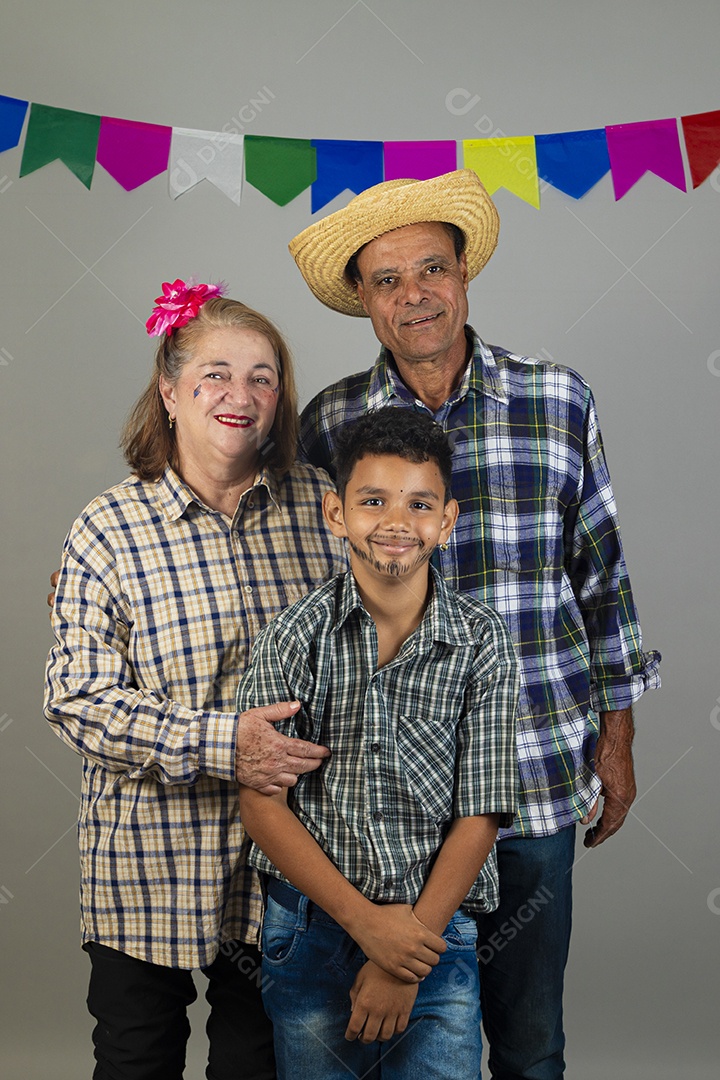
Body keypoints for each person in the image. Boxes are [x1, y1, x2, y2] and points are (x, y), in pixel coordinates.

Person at [288, 170, 662, 1080]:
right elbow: (294, 580)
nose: (414, 294)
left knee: (530, 1040)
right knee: (408, 1038)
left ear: (464, 277)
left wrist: (616, 740)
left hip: (533, 769)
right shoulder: (332, 420)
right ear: (365, 304)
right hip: (389, 796)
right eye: (387, 280)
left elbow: (602, 579)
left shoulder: (557, 399)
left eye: (431, 269)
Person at [43, 280, 347, 1080]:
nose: (239, 394)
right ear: (170, 393)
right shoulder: (107, 527)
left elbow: (377, 644)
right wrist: (226, 743)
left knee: (257, 1064)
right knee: (138, 1061)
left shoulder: (324, 510)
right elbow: (76, 698)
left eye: (262, 377)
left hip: (283, 868)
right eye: (214, 373)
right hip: (148, 863)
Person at [236, 407, 519, 1079]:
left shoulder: (483, 642)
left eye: (420, 504)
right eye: (373, 501)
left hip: (435, 932)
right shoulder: (293, 637)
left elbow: (481, 812)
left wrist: (406, 951)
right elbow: (262, 805)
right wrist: (365, 925)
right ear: (337, 514)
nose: (396, 522)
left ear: (446, 521)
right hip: (311, 927)